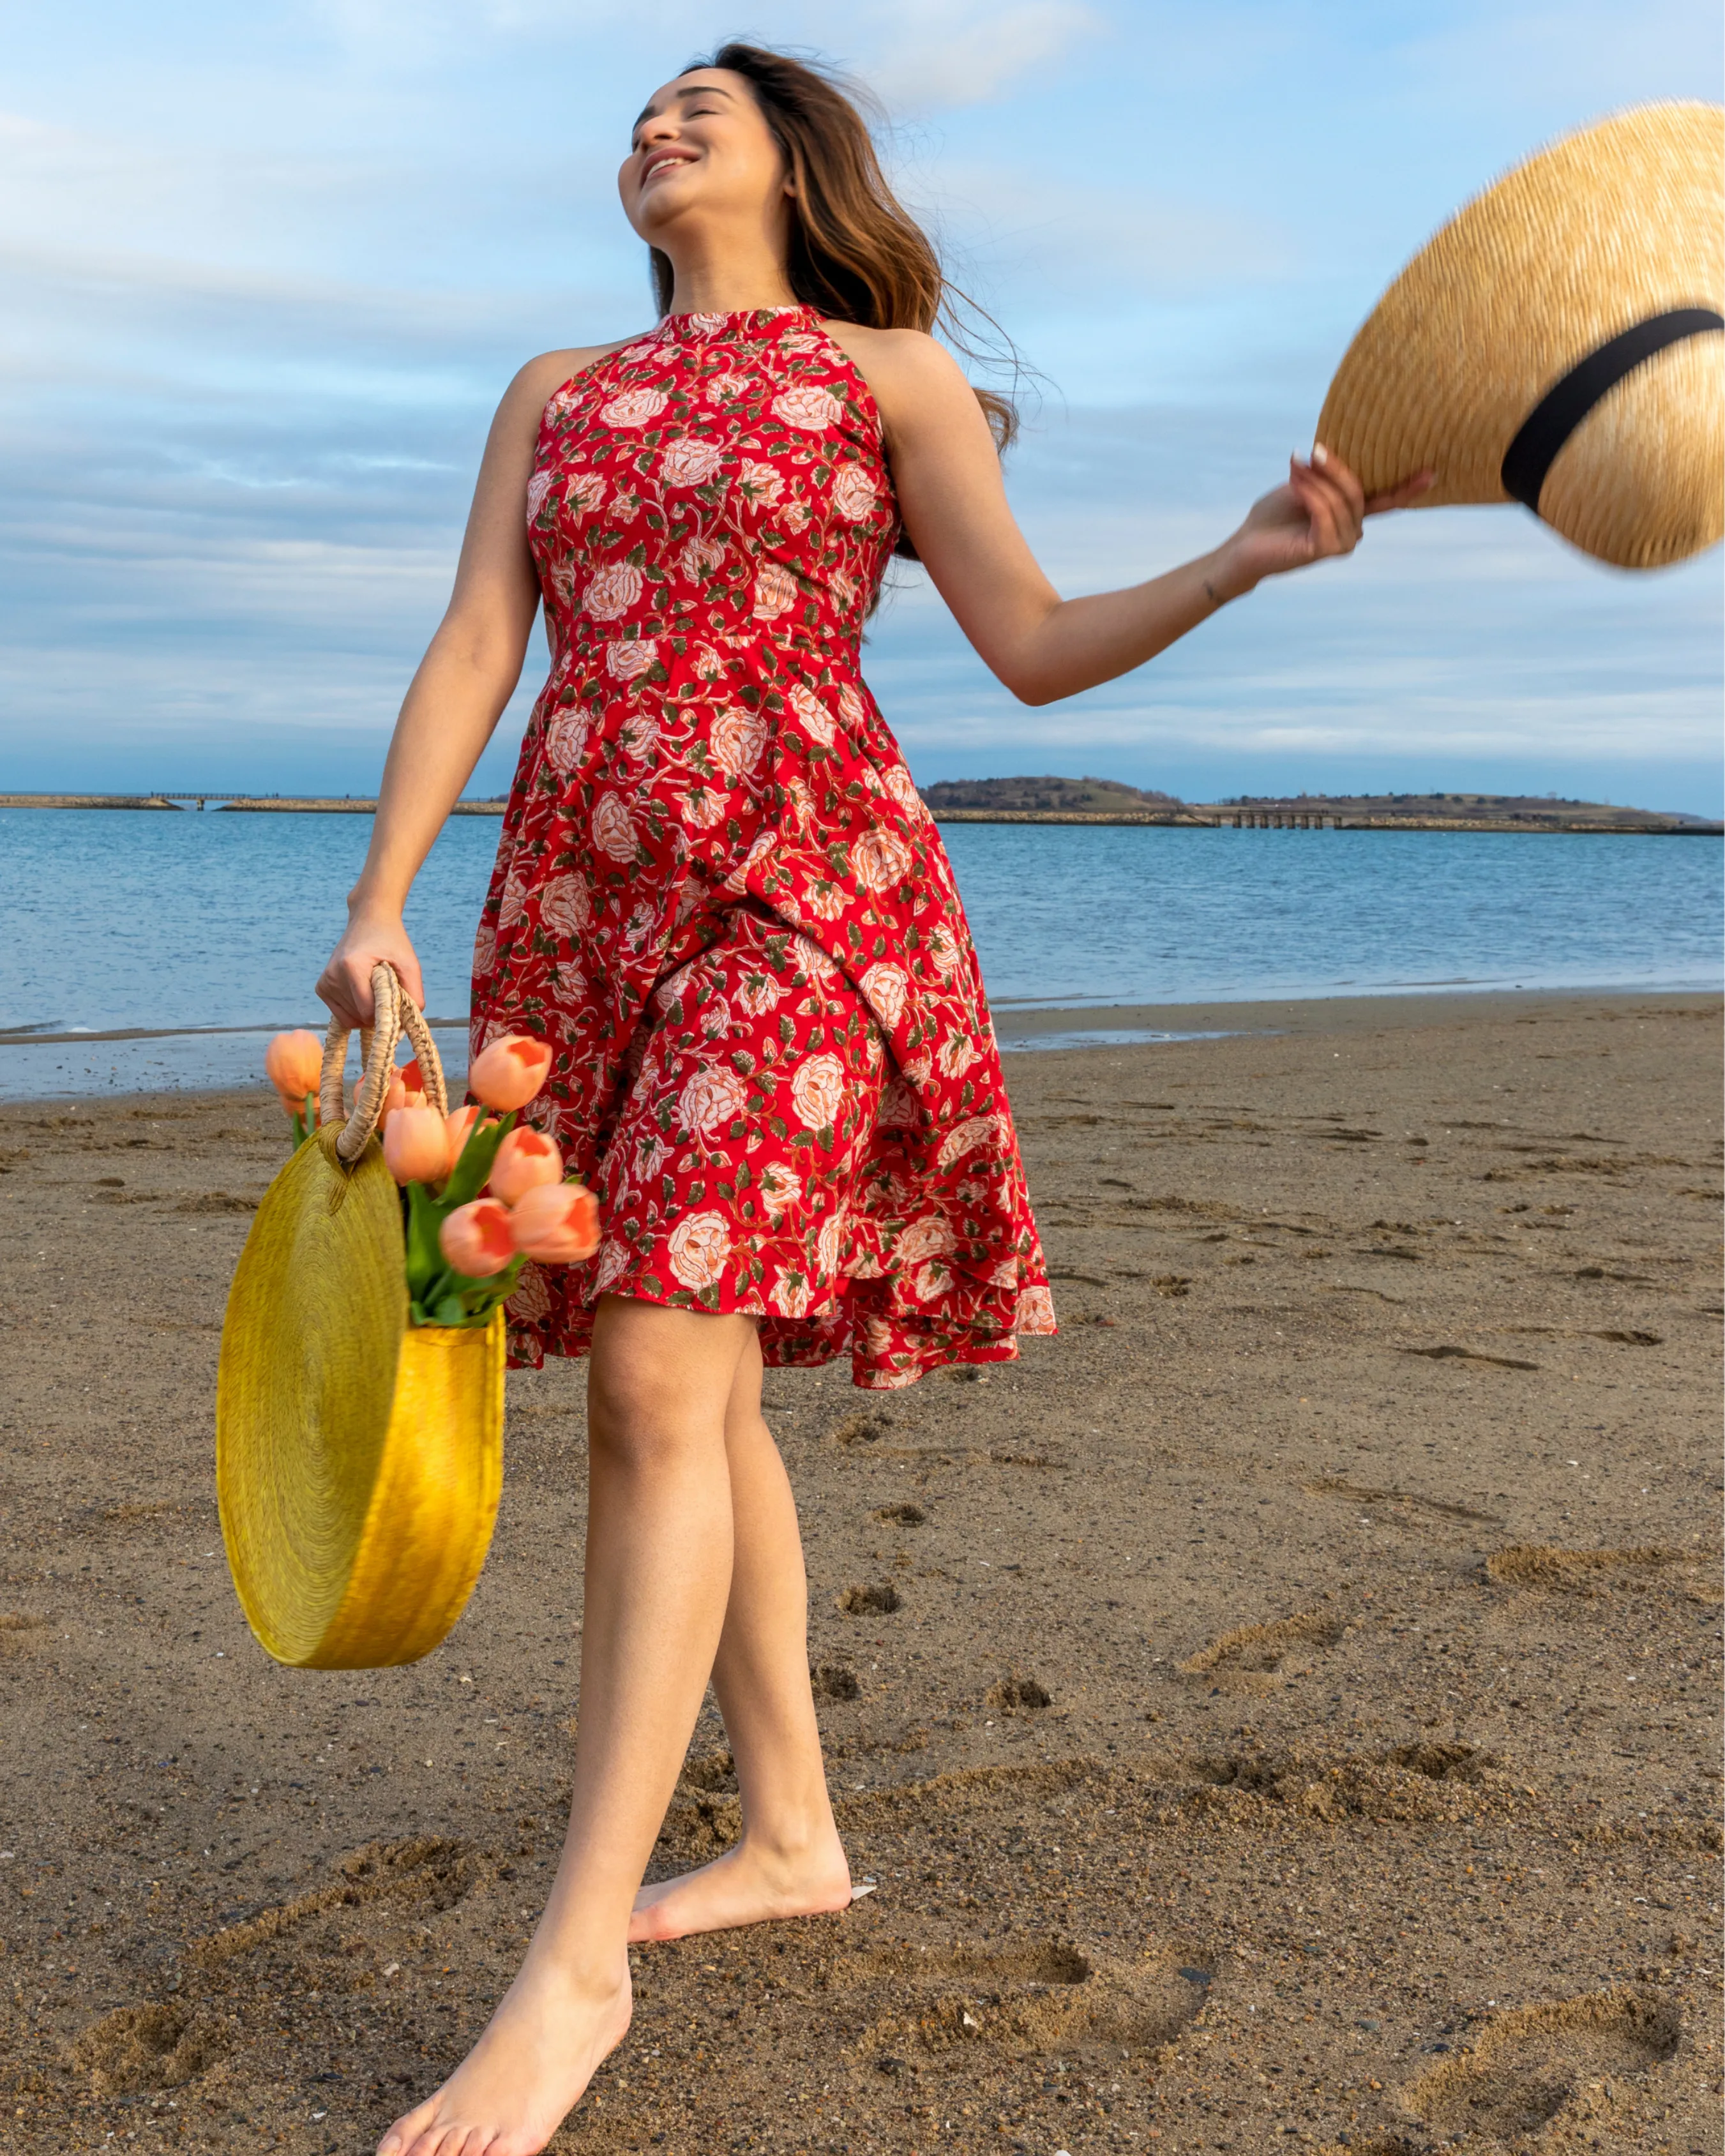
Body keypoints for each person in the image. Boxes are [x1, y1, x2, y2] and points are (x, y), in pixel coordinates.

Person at [314, 42, 1429, 2156]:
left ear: (789, 161)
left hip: (814, 892)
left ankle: (567, 1978)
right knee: (700, 1389)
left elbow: (1025, 644)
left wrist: (1244, 555)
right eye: (636, 111)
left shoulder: (887, 375)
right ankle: (793, 1835)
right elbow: (482, 637)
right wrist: (377, 894)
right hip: (580, 909)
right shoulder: (554, 390)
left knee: (655, 1363)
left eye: (696, 110)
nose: (652, 129)